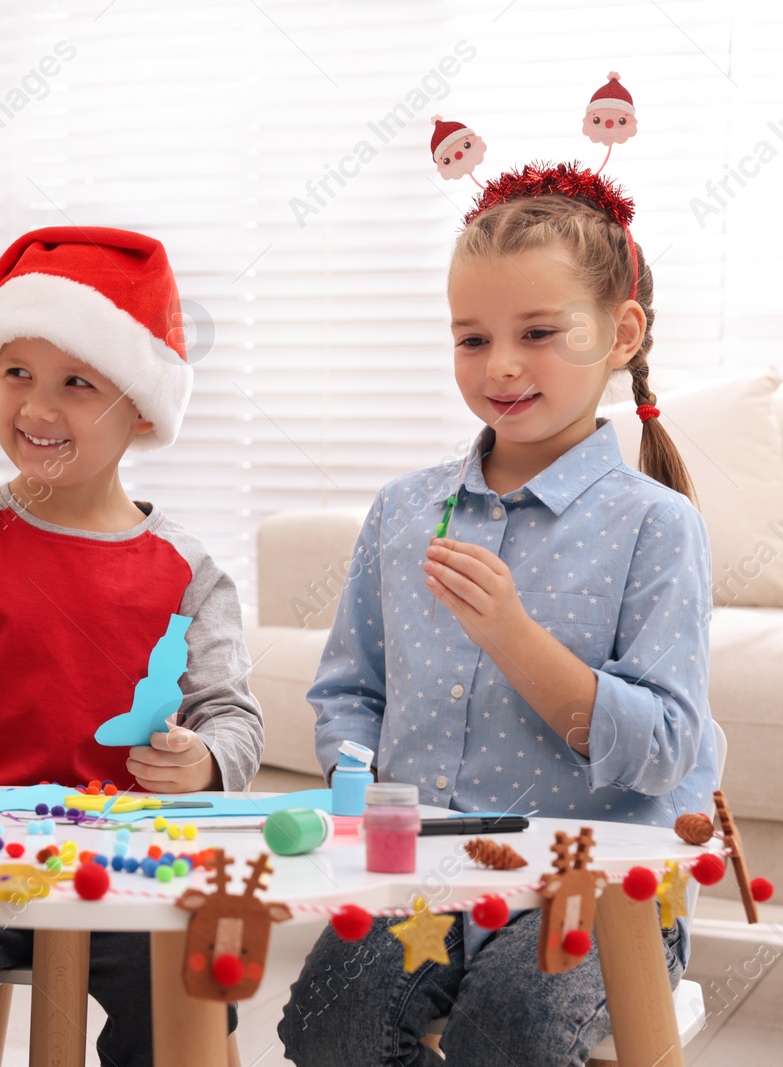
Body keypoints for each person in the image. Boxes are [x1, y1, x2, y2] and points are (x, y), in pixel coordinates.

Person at [278, 164, 716, 1066]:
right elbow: (350, 691)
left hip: (600, 890)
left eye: (539, 333)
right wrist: (357, 782)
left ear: (621, 334)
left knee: (510, 1027)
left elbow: (670, 744)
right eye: (471, 338)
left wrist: (514, 638)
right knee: (329, 1018)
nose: (501, 365)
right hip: (422, 881)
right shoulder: (405, 510)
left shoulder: (657, 526)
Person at [0, 227, 266, 1065]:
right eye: (17, 374)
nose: (36, 407)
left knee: (190, 993)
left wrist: (205, 758)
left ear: (139, 408)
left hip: (130, 863)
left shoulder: (189, 569)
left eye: (77, 383)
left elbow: (234, 719)